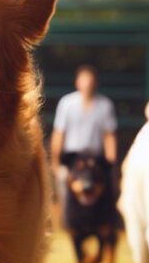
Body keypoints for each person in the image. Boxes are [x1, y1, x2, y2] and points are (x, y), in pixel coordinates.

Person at [50, 65, 118, 223]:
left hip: (95, 160)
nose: (87, 84)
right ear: (77, 82)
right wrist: (55, 163)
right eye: (84, 80)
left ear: (96, 83)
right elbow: (59, 134)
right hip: (73, 160)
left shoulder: (105, 105)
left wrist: (111, 165)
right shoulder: (66, 103)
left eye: (90, 81)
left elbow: (109, 137)